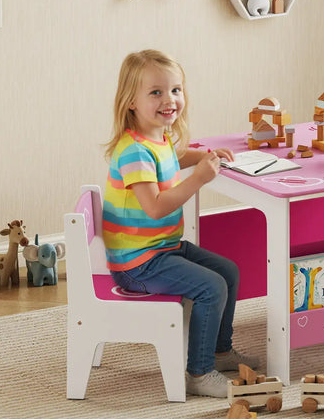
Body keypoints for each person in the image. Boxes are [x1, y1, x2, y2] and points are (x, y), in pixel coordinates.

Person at [102, 49, 259, 398]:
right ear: (131, 101)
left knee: (228, 272)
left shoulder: (156, 138)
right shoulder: (134, 152)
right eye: (156, 92)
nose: (169, 99)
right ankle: (199, 373)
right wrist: (199, 178)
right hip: (137, 263)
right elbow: (155, 208)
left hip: (160, 248)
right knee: (211, 287)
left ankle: (220, 350)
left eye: (176, 90)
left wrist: (203, 156)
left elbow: (171, 157)